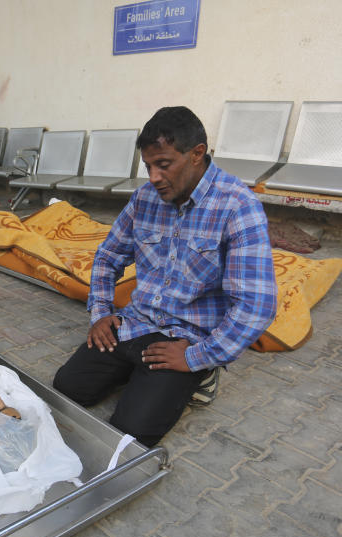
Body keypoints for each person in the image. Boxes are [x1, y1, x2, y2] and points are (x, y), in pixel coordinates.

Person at [53, 106, 278, 446]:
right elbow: (108, 256)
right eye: (147, 166)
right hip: (136, 322)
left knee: (132, 433)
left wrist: (194, 357)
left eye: (164, 164)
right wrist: (100, 313)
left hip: (186, 337)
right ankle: (140, 373)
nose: (153, 177)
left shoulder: (238, 207)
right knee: (68, 388)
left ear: (196, 155)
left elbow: (256, 305)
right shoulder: (145, 199)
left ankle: (203, 375)